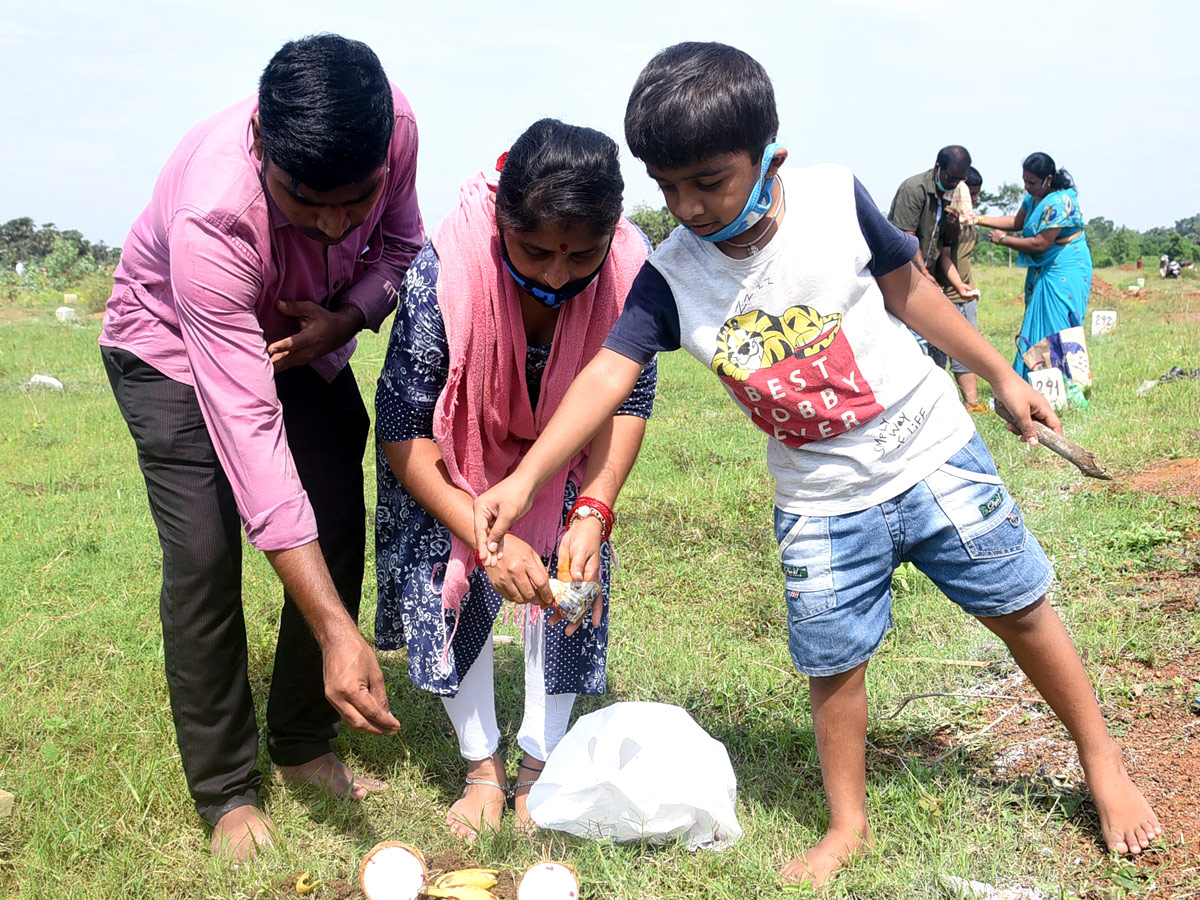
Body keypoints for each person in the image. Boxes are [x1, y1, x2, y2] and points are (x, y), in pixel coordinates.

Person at [471, 42, 1162, 888]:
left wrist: (1000, 374)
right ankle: (847, 825)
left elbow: (912, 290)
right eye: (667, 185)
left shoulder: (835, 199)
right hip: (820, 500)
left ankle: (1100, 759)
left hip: (932, 454)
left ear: (770, 159)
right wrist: (527, 478)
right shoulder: (670, 277)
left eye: (709, 181)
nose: (686, 205)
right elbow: (609, 375)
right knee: (833, 665)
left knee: (1020, 608)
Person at [98, 35, 423, 860]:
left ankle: (304, 743)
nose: (333, 223)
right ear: (261, 151)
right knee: (205, 551)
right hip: (170, 347)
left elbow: (397, 247)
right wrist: (337, 629)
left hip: (300, 336)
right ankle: (225, 789)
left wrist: (346, 317)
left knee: (337, 515)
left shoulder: (395, 132)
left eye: (354, 199)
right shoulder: (214, 213)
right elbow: (250, 440)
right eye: (306, 202)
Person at [374, 119, 656, 839]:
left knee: (569, 582)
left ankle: (538, 764)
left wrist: (592, 507)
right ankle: (481, 766)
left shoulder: (631, 272)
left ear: (611, 234)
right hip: (452, 453)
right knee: (454, 575)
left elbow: (629, 397)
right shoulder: (444, 269)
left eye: (581, 255)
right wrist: (481, 533)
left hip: (565, 459)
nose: (557, 276)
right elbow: (404, 427)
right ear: (502, 224)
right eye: (535, 252)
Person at [976, 153, 1091, 379]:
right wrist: (977, 218)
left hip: (1064, 268)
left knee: (1058, 324)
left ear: (1049, 179)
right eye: (1025, 181)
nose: (1027, 187)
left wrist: (1003, 240)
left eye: (1032, 182)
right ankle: (1036, 380)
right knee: (1037, 321)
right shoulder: (1034, 197)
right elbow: (1017, 223)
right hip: (1043, 268)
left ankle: (1066, 382)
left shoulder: (1061, 202)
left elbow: (1040, 244)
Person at [932, 166, 987, 411]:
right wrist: (958, 286)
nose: (973, 200)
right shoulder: (946, 223)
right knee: (939, 355)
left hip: (964, 295)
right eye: (970, 194)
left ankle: (972, 403)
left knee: (967, 351)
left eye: (976, 195)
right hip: (950, 295)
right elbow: (944, 258)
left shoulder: (969, 220)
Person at [888, 145, 972, 282]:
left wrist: (954, 224)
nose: (954, 184)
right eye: (951, 178)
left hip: (927, 276)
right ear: (938, 167)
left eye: (959, 179)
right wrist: (923, 272)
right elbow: (907, 237)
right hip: (901, 275)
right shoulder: (914, 189)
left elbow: (947, 243)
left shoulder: (953, 193)